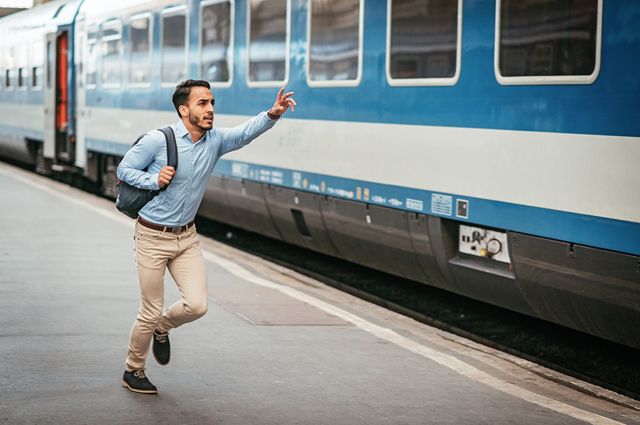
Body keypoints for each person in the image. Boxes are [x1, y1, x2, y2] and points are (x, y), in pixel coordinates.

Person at [116, 79, 296, 394]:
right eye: (202, 103)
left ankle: (163, 327)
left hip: (186, 238)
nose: (210, 109)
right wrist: (153, 179)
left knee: (197, 305)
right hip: (152, 237)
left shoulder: (214, 141)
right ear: (184, 109)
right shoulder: (159, 140)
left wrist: (273, 114)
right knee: (149, 309)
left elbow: (243, 134)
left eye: (211, 102)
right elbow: (123, 169)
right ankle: (133, 370)